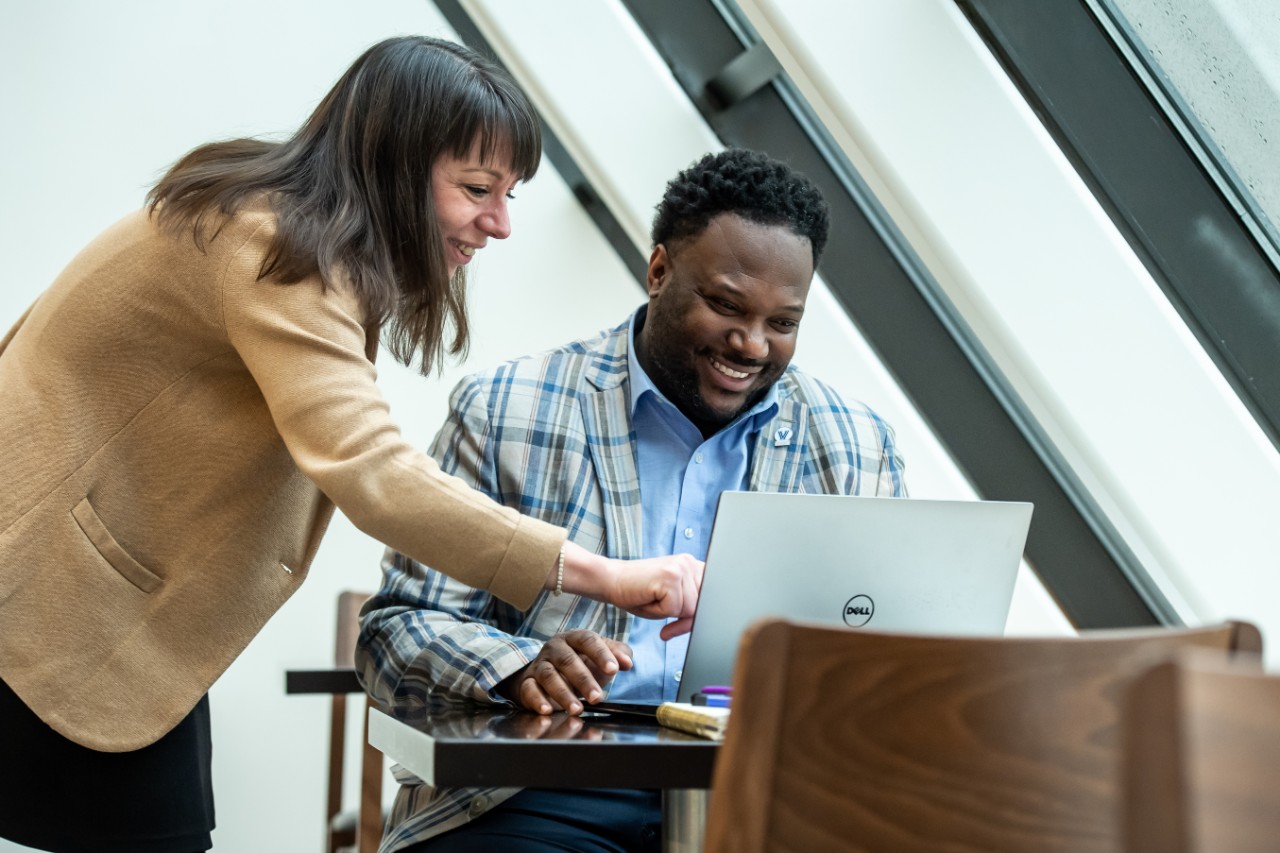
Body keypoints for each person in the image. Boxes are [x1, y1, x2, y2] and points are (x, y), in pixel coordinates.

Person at [0, 36, 701, 853]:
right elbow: (373, 470)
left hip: (98, 605)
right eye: (478, 189)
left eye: (508, 194)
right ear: (395, 164)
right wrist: (609, 574)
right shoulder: (269, 247)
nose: (501, 223)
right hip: (45, 592)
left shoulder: (275, 229)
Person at [357, 148, 908, 853]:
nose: (750, 344)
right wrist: (516, 666)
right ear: (659, 271)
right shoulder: (508, 410)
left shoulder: (858, 446)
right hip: (537, 794)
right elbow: (396, 629)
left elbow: (900, 659)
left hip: (771, 798)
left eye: (782, 323)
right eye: (726, 305)